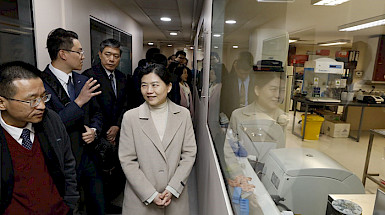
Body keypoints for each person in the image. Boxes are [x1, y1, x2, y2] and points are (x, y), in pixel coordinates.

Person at [40, 28, 105, 215]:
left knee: (98, 206)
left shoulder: (83, 80)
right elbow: (51, 125)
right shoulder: (41, 84)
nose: (83, 56)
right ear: (63, 54)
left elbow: (97, 113)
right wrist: (78, 102)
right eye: (79, 51)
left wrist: (94, 129)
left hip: (90, 157)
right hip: (62, 162)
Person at [0, 61, 79, 214]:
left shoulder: (51, 120)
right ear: (2, 103)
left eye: (43, 97)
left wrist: (70, 205)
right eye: (32, 100)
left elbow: (68, 165)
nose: (42, 106)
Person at [119, 64, 197, 214]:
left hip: (175, 197)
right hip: (140, 199)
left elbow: (189, 154)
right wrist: (150, 193)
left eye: (155, 85)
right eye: (144, 86)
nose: (149, 91)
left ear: (168, 87)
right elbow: (127, 160)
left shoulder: (183, 114)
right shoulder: (131, 117)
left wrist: (173, 187)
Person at [83, 38, 139, 213]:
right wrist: (103, 130)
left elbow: (126, 105)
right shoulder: (88, 76)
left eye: (116, 56)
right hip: (97, 135)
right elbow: (91, 108)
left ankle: (111, 202)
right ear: (100, 55)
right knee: (98, 175)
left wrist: (117, 126)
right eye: (108, 54)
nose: (111, 59)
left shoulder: (123, 78)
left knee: (116, 171)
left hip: (118, 130)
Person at [220, 51, 256, 119]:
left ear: (250, 69)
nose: (243, 76)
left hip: (251, 116)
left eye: (246, 74)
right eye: (241, 73)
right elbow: (223, 103)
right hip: (233, 117)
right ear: (236, 68)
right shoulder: (228, 81)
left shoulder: (255, 81)